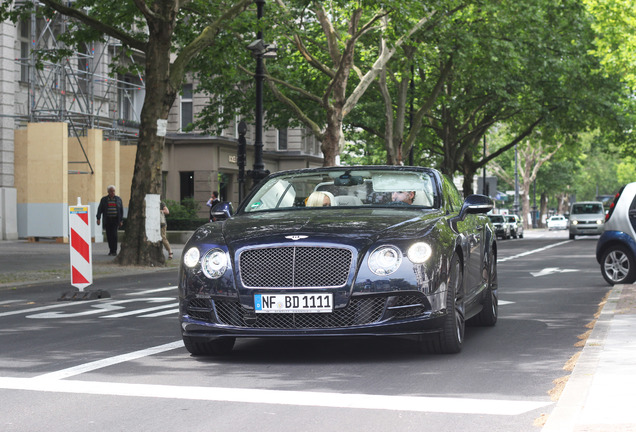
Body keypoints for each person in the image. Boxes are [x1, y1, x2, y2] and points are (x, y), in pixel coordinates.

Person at [96, 185, 124, 256]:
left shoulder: (118, 199)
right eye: (111, 191)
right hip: (108, 220)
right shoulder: (104, 200)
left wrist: (121, 221)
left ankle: (114, 250)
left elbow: (121, 211)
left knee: (114, 235)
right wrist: (98, 218)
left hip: (115, 220)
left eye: (113, 191)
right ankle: (111, 250)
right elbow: (100, 209)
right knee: (109, 236)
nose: (112, 192)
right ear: (108, 192)